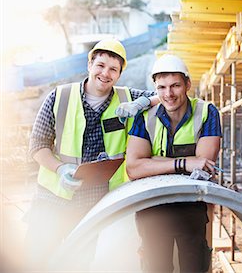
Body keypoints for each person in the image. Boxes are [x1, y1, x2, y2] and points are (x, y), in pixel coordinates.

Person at [25, 38, 157, 271]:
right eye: (101, 65)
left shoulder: (128, 98)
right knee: (37, 258)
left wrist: (144, 102)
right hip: (54, 196)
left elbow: (164, 95)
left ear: (119, 74)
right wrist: (60, 169)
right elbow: (37, 145)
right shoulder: (59, 97)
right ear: (90, 65)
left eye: (113, 69)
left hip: (97, 201)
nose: (105, 73)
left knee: (82, 263)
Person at [126, 54, 222, 273]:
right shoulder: (145, 116)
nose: (168, 94)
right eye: (161, 87)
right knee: (156, 268)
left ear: (187, 84)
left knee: (194, 267)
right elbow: (133, 168)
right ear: (155, 88)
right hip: (152, 210)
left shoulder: (206, 112)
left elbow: (204, 166)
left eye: (175, 85)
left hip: (191, 209)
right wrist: (184, 163)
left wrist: (153, 162)